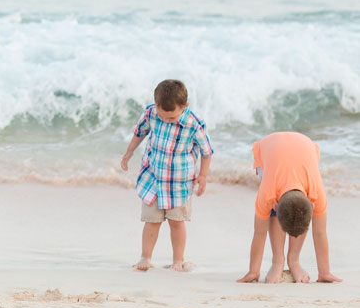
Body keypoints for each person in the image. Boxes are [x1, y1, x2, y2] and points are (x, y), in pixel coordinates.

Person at [120, 79, 213, 272]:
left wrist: (203, 176)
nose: (166, 121)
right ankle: (145, 258)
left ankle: (178, 260)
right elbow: (140, 132)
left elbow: (207, 151)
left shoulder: (193, 124)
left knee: (176, 222)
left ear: (184, 107)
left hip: (179, 183)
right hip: (153, 178)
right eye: (162, 116)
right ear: (156, 105)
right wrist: (129, 152)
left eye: (171, 118)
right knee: (151, 221)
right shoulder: (151, 113)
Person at [237, 132, 342, 284]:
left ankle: (294, 260)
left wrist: (324, 272)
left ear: (312, 205)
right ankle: (277, 261)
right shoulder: (268, 193)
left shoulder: (317, 193)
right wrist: (254, 271)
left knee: (299, 212)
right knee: (283, 213)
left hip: (307, 147)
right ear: (275, 204)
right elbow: (259, 232)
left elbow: (320, 233)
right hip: (268, 148)